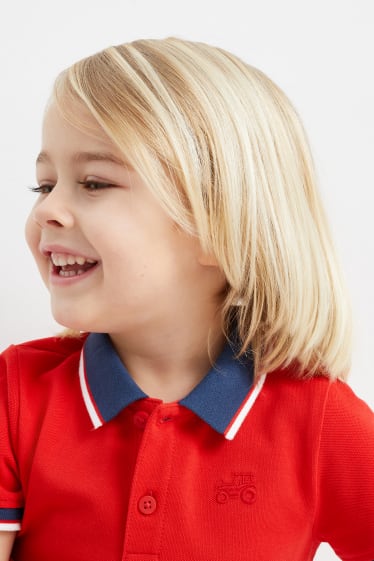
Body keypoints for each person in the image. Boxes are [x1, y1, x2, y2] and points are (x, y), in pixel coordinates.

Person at [0, 37, 373, 561]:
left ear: (219, 228)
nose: (47, 211)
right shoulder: (14, 395)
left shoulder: (321, 422)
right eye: (44, 186)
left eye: (94, 182)